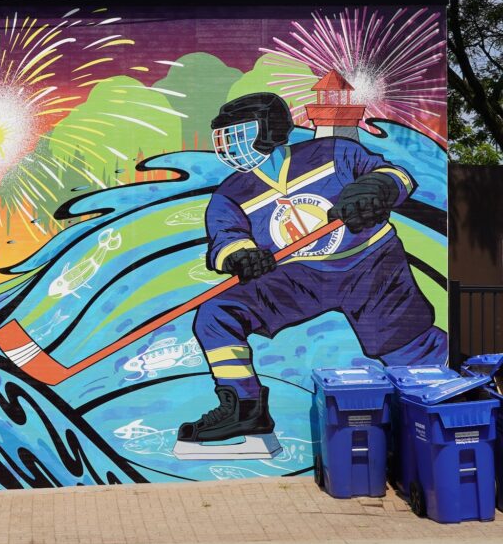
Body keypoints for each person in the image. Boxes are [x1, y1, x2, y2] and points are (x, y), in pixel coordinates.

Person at [178, 92, 446, 447]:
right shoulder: (231, 194)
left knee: (405, 347)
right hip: (300, 277)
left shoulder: (332, 153)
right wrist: (241, 256)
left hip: (370, 263)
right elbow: (226, 235)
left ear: (269, 129)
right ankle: (243, 407)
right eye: (224, 137)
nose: (229, 146)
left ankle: (444, 395)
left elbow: (395, 175)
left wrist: (376, 188)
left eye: (238, 133)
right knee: (216, 314)